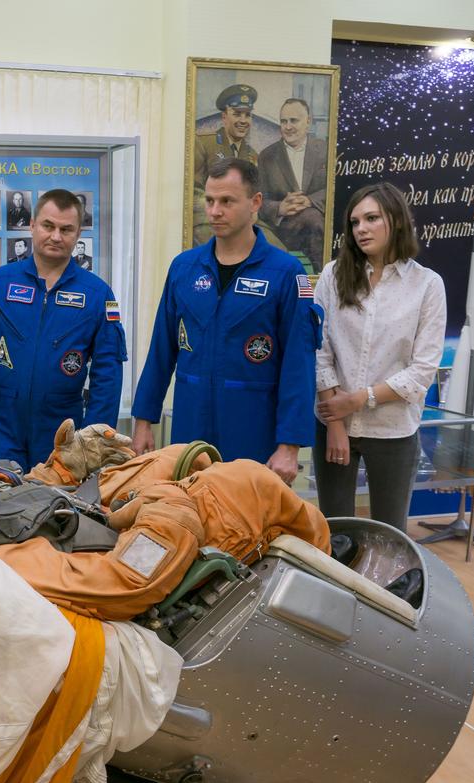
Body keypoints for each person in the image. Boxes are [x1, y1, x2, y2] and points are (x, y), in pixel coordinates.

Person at [132, 159, 317, 485]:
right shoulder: (184, 269)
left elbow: (298, 365)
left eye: (227, 201)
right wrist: (144, 420)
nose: (215, 211)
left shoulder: (285, 273)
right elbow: (162, 350)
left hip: (251, 429)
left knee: (246, 525)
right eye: (209, 201)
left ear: (255, 202)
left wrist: (290, 444)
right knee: (187, 517)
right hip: (190, 427)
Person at [0, 189, 126, 470]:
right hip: (2, 427)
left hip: (63, 433)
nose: (56, 236)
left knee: (60, 510)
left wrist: (92, 438)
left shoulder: (97, 294)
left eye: (66, 229)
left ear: (78, 234)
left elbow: (108, 372)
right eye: (48, 226)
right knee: (2, 506)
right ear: (32, 225)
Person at [314, 183, 446, 532]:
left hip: (392, 429)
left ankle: (384, 590)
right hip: (333, 424)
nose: (361, 229)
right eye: (355, 222)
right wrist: (334, 422)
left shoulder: (427, 285)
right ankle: (336, 589)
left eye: (371, 218)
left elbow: (422, 371)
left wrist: (358, 400)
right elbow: (318, 349)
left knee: (390, 533)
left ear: (397, 222)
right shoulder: (332, 275)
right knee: (334, 531)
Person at [258, 98, 327, 274]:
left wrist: (309, 200)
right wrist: (279, 207)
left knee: (314, 218)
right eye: (283, 121)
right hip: (285, 229)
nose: (287, 127)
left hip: (319, 226)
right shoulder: (267, 156)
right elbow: (259, 200)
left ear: (308, 122)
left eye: (293, 120)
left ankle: (322, 279)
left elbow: (333, 189)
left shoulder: (325, 150)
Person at [192, 84, 259, 246]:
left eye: (247, 115)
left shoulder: (252, 155)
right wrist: (220, 206)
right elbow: (192, 190)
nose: (243, 121)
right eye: (237, 114)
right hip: (210, 219)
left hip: (246, 221)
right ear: (224, 117)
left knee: (277, 250)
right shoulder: (204, 143)